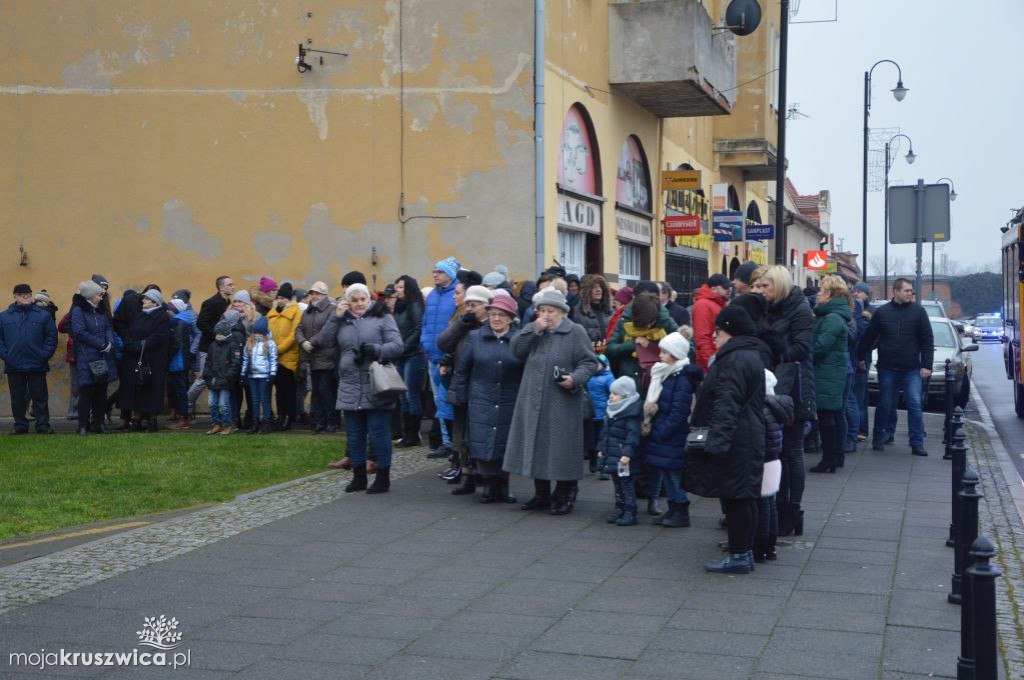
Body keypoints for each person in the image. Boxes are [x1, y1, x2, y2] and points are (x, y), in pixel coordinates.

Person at [684, 305, 766, 574]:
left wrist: (716, 446)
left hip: (737, 438)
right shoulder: (747, 354)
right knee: (743, 497)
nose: (714, 336)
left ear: (731, 332)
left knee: (736, 497)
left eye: (718, 331)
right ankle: (744, 552)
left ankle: (739, 555)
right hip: (745, 435)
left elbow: (727, 404)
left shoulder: (734, 359)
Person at [504, 288, 598, 515]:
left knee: (561, 447)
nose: (546, 315)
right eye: (542, 310)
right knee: (536, 443)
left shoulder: (574, 331)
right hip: (532, 398)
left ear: (562, 312)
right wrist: (534, 329)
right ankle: (541, 494)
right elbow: (516, 349)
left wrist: (574, 379)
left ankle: (566, 492)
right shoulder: (534, 330)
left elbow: (589, 363)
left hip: (561, 400)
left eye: (551, 311)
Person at [314, 283, 403, 494]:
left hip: (377, 382)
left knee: (379, 433)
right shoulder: (341, 320)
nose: (360, 303)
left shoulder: (382, 317)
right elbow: (323, 341)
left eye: (363, 299)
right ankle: (359, 477)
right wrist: (335, 317)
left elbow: (398, 345)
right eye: (354, 300)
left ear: (369, 300)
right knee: (354, 434)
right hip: (350, 382)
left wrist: (376, 349)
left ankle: (383, 477)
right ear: (347, 302)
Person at [753, 264, 815, 537]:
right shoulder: (765, 308)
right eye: (758, 286)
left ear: (778, 285)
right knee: (774, 452)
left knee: (792, 451)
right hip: (771, 383)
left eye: (765, 286)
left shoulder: (799, 308)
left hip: (794, 387)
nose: (760, 290)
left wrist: (772, 352)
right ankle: (775, 508)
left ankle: (792, 509)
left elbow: (802, 348)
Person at [454, 292, 524, 503]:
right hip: (481, 397)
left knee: (505, 441)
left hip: (509, 397)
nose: (496, 318)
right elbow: (463, 370)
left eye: (501, 315)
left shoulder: (519, 339)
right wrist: (462, 395)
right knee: (482, 440)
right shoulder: (475, 337)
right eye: (493, 314)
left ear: (511, 318)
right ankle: (489, 485)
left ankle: (504, 484)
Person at [857, 278, 934, 456]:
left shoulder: (918, 312)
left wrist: (926, 365)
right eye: (906, 290)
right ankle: (878, 437)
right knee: (885, 403)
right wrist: (860, 356)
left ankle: (916, 442)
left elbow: (927, 340)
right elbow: (869, 336)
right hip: (887, 367)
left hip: (911, 368)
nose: (910, 293)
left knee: (914, 404)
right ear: (896, 291)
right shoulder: (883, 312)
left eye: (911, 291)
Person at [642, 332, 702, 528]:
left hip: (670, 433)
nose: (660, 355)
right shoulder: (667, 373)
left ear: (675, 354)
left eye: (664, 352)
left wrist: (662, 431)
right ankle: (673, 508)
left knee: (674, 474)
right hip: (664, 432)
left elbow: (679, 411)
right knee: (666, 472)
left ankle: (681, 510)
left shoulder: (681, 378)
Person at [438, 283, 493, 494]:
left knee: (482, 432)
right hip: (462, 384)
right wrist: (461, 323)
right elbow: (443, 343)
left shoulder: (492, 325)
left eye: (475, 305)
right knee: (462, 433)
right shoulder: (463, 325)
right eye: (468, 304)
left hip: (485, 387)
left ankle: (487, 476)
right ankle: (467, 475)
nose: (470, 308)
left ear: (486, 307)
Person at [809, 275, 854, 473]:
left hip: (828, 372)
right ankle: (834, 457)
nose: (818, 293)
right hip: (830, 371)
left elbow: (820, 347)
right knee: (832, 415)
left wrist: (806, 357)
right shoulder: (833, 315)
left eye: (821, 290)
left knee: (827, 416)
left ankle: (829, 459)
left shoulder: (832, 318)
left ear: (830, 294)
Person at [0, 284, 58, 434]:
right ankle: (20, 425)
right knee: (17, 398)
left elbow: (51, 336)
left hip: (37, 362)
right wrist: (7, 356)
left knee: (40, 397)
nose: (25, 296)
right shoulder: (4, 316)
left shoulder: (43, 315)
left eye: (28, 294)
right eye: (21, 294)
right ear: (15, 296)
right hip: (14, 363)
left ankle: (43, 425)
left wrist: (44, 354)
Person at [421, 257, 460, 458]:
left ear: (450, 274)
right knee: (439, 402)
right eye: (434, 271)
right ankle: (446, 442)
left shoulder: (457, 294)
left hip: (448, 357)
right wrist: (424, 343)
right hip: (431, 355)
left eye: (440, 271)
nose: (435, 274)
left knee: (448, 401)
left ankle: (454, 443)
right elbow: (425, 322)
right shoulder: (433, 296)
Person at [605, 291, 677, 396]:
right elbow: (610, 350)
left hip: (661, 379)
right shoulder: (624, 323)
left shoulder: (666, 322)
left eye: (651, 322)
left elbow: (685, 347)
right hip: (630, 381)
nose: (648, 326)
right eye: (644, 323)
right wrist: (633, 344)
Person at [118, 288, 171, 432]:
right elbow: (130, 332)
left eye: (147, 299)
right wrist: (129, 343)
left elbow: (159, 336)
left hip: (153, 360)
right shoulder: (140, 315)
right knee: (137, 390)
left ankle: (152, 421)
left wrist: (140, 345)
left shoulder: (162, 317)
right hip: (135, 357)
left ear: (155, 302)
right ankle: (136, 419)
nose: (143, 300)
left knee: (152, 390)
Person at [68, 280, 116, 435]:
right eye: (98, 295)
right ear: (90, 295)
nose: (101, 298)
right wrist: (101, 344)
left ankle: (99, 424)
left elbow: (108, 327)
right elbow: (79, 332)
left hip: (104, 355)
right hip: (87, 356)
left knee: (101, 392)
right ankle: (83, 425)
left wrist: (110, 342)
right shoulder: (78, 310)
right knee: (86, 392)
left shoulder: (100, 309)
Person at [598, 376, 643, 526]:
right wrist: (601, 449)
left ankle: (630, 511)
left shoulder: (631, 413)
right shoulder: (611, 410)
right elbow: (605, 433)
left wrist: (627, 454)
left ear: (626, 396)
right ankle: (619, 508)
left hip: (623, 456)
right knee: (617, 484)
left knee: (626, 484)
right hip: (613, 454)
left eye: (615, 394)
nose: (611, 396)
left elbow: (633, 436)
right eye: (611, 393)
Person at [298, 281, 340, 439]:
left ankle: (331, 421)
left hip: (326, 357)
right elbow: (298, 329)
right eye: (312, 293)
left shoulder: (331, 310)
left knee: (325, 390)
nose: (313, 296)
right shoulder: (308, 311)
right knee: (316, 391)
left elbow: (329, 332)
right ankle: (317, 422)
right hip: (312, 357)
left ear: (324, 295)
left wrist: (312, 342)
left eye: (317, 293)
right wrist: (302, 342)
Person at [188, 276, 234, 416]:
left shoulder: (229, 303)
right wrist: (215, 336)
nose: (233, 287)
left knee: (220, 379)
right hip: (208, 347)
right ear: (221, 287)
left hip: (222, 348)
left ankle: (221, 412)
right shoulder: (210, 303)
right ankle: (185, 404)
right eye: (230, 284)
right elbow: (201, 323)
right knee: (204, 378)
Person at [392, 275, 426, 448]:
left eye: (400, 287)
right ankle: (407, 434)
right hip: (401, 355)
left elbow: (418, 328)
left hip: (413, 354)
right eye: (397, 287)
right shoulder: (399, 306)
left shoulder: (414, 305)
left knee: (411, 395)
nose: (397, 290)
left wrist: (404, 347)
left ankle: (413, 434)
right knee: (403, 396)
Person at [267, 282, 301, 431]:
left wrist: (278, 349)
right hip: (273, 357)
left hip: (288, 358)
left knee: (288, 390)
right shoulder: (272, 313)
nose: (280, 300)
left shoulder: (296, 312)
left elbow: (294, 335)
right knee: (279, 390)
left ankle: (288, 417)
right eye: (278, 297)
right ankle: (280, 416)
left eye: (283, 298)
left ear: (289, 299)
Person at [203, 318, 243, 435]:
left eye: (220, 333)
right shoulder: (213, 345)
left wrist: (227, 377)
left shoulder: (233, 345)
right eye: (217, 333)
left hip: (225, 381)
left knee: (223, 404)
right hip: (213, 379)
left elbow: (235, 363)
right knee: (212, 403)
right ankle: (216, 424)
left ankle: (227, 425)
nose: (218, 335)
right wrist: (206, 374)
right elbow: (208, 361)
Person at [242, 316, 278, 434]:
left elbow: (273, 359)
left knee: (264, 399)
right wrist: (243, 373)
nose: (257, 335)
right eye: (255, 332)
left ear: (264, 333)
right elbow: (245, 359)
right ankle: (255, 422)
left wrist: (272, 373)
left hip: (264, 376)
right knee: (254, 400)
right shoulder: (250, 343)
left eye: (259, 333)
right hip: (252, 376)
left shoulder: (270, 343)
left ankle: (266, 423)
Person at [691, 273, 732, 372]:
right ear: (713, 289)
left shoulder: (717, 303)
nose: (729, 290)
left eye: (729, 287)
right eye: (725, 287)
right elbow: (703, 339)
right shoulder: (703, 305)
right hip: (710, 364)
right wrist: (711, 363)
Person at [165, 298, 195, 430]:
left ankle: (183, 418)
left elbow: (176, 344)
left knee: (181, 391)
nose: (167, 311)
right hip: (179, 361)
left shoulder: (178, 323)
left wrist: (167, 356)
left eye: (170, 308)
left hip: (178, 362)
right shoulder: (181, 321)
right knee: (180, 390)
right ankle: (182, 416)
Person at [851, 281, 873, 442]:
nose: (856, 294)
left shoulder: (871, 312)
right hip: (853, 357)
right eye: (854, 291)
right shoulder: (852, 309)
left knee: (859, 396)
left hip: (863, 359)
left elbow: (870, 337)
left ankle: (860, 430)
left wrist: (862, 357)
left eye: (859, 292)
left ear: (867, 295)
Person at [586, 354, 614, 476]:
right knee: (591, 441)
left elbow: (613, 394)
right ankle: (593, 462)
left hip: (603, 415)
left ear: (603, 365)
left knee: (604, 441)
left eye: (597, 363)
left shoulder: (609, 378)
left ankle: (604, 469)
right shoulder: (588, 376)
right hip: (591, 414)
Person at [575, 274, 613, 351]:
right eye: (594, 287)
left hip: (609, 354)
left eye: (600, 287)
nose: (598, 290)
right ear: (587, 291)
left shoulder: (610, 311)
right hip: (589, 355)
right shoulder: (579, 312)